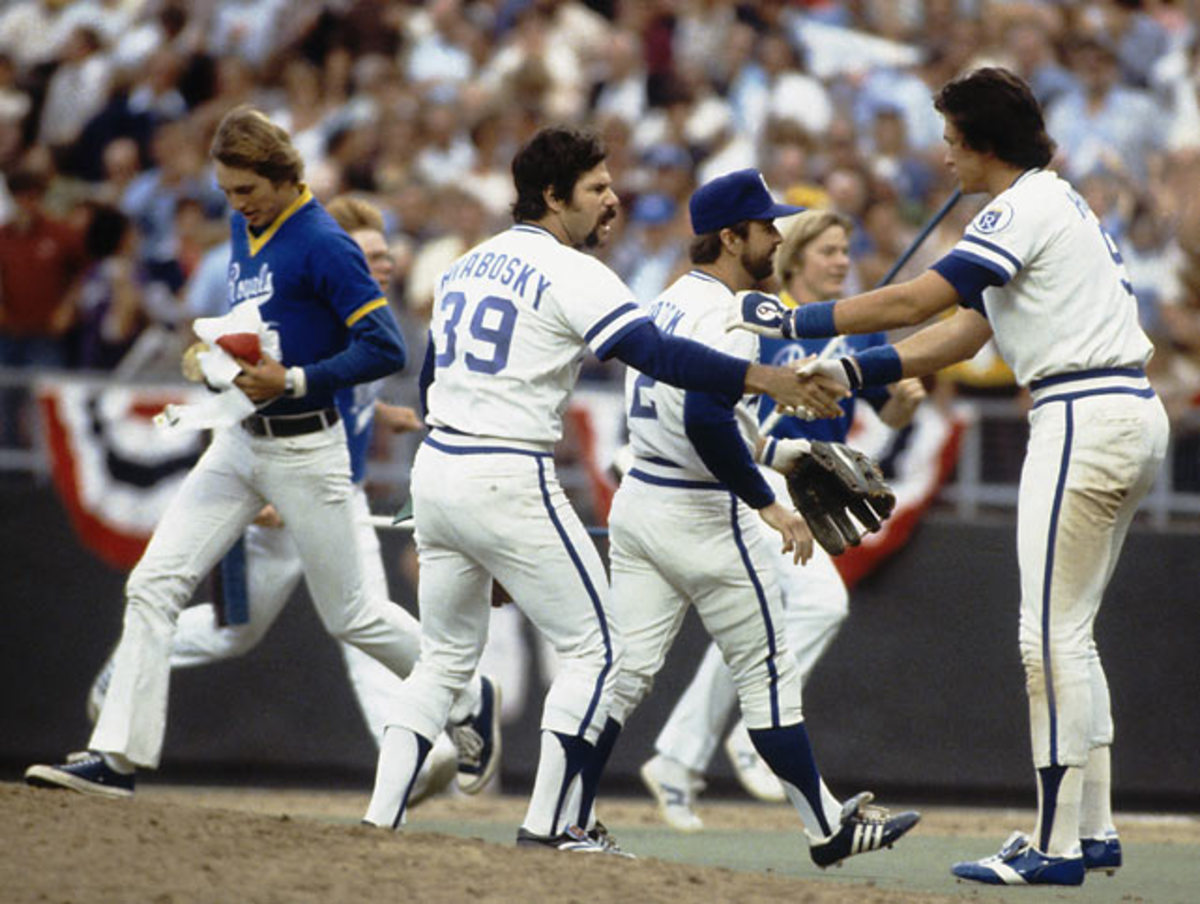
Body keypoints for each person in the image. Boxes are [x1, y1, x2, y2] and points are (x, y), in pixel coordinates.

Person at [735, 68, 1168, 886]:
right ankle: (1095, 831)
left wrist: (797, 320)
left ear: (982, 143)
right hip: (1125, 412)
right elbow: (961, 334)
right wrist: (851, 373)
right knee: (1072, 630)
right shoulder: (1056, 201)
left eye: (950, 140)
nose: (943, 158)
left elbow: (917, 302)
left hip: (1081, 415)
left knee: (1046, 641)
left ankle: (1054, 846)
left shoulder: (1019, 206)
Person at [359, 128, 844, 852]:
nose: (612, 200)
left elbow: (433, 386)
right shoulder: (571, 271)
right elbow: (655, 353)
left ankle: (378, 821)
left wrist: (452, 515)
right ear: (554, 198)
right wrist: (762, 377)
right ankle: (550, 827)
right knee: (602, 653)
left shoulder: (463, 265)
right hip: (509, 472)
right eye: (595, 188)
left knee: (443, 661)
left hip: (439, 472)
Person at [23, 107, 490, 799]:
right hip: (239, 439)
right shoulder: (251, 230)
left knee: (354, 616)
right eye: (228, 191)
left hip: (306, 449)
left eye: (246, 190)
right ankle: (115, 760)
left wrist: (294, 379)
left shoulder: (323, 242)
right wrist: (219, 358)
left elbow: (384, 347)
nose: (236, 204)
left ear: (282, 176)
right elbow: (272, 330)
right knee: (154, 584)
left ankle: (468, 692)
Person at [597, 170, 920, 868]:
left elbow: (740, 418)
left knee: (627, 669)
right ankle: (783, 783)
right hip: (709, 494)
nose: (778, 235)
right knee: (771, 658)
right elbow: (711, 415)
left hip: (666, 486)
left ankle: (572, 806)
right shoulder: (751, 316)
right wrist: (768, 494)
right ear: (733, 237)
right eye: (772, 229)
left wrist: (794, 449)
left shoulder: (680, 302)